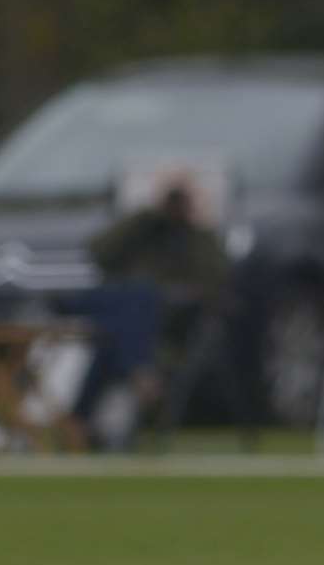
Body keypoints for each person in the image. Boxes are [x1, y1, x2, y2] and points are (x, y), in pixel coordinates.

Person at [73, 176, 231, 449]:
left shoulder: (198, 238)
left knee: (123, 325)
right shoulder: (142, 229)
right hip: (119, 309)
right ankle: (139, 371)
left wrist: (198, 225)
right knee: (137, 296)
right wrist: (145, 216)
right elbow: (97, 252)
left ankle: (79, 421)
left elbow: (218, 279)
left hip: (160, 325)